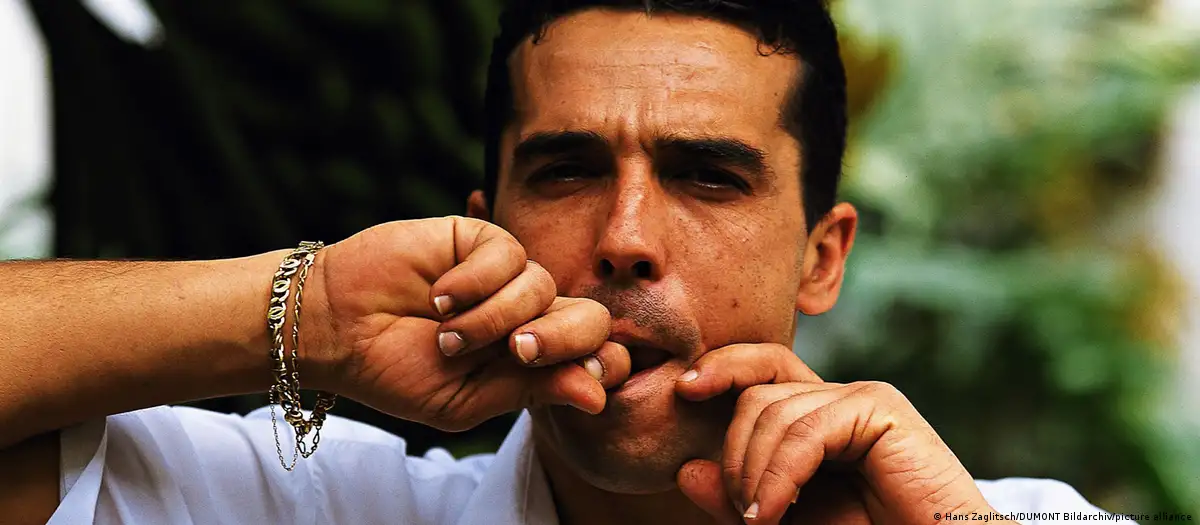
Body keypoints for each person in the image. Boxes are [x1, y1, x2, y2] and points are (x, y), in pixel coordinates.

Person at [0, 1, 1116, 524]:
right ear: (487, 226)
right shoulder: (305, 506)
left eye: (707, 177)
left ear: (821, 259)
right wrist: (306, 316)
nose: (624, 237)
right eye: (568, 170)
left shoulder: (1005, 519)